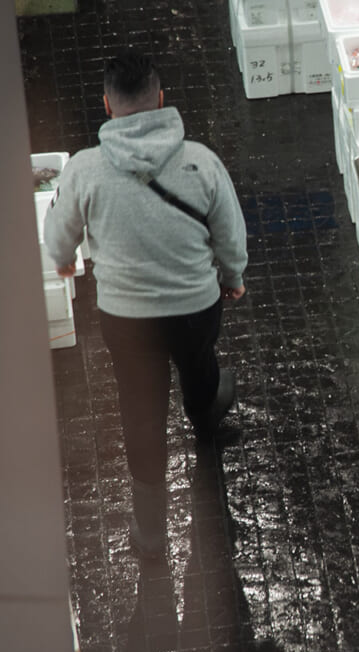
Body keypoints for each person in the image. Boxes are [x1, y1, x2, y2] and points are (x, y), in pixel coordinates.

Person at [44, 50, 248, 559]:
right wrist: (232, 277)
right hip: (195, 307)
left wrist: (65, 261)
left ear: (107, 106)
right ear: (161, 100)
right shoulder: (201, 160)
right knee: (199, 363)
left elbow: (59, 236)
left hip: (126, 319)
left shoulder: (85, 170)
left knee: (140, 410)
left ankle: (152, 533)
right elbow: (229, 232)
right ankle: (205, 419)